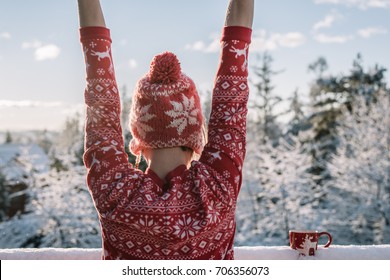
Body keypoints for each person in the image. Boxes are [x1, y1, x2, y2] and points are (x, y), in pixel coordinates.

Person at [78, 0, 254, 260]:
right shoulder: (218, 188)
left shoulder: (114, 191)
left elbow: (100, 100)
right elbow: (231, 100)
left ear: (139, 135)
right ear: (195, 132)